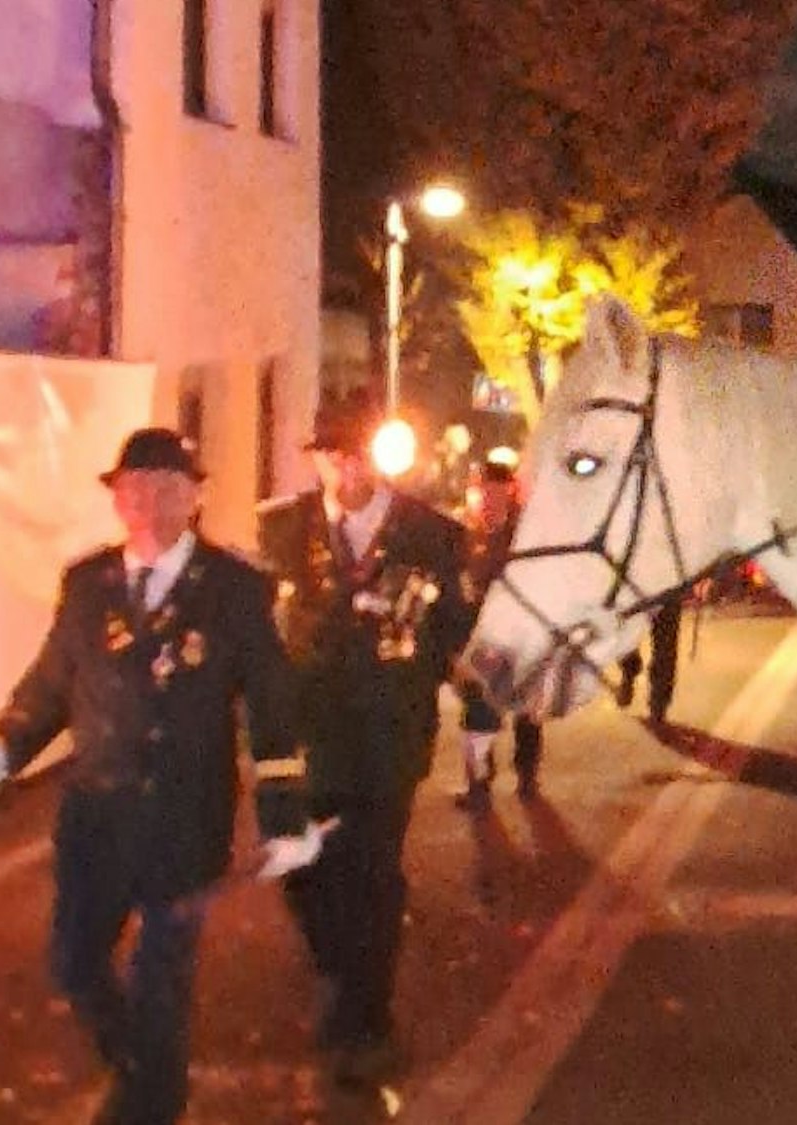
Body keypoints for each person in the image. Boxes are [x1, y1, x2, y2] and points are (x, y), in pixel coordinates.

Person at [0, 428, 323, 1125]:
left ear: (194, 497)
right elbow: (52, 682)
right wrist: (2, 744)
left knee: (162, 977)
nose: (149, 504)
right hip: (93, 816)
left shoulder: (235, 589)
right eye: (134, 489)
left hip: (183, 819)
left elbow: (272, 705)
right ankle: (147, 1071)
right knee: (73, 964)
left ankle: (147, 1103)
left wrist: (285, 814)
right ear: (117, 497)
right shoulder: (88, 582)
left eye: (166, 489)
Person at [256, 389, 474, 1084]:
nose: (344, 469)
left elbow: (451, 635)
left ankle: (367, 1018)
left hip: (390, 735)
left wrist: (477, 681)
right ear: (318, 460)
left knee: (373, 872)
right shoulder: (281, 532)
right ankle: (339, 977)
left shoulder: (430, 535)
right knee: (306, 870)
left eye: (356, 454)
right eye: (331, 454)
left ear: (376, 459)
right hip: (308, 735)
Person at [455, 453, 544, 805]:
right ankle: (479, 783)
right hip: (483, 636)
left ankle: (527, 775)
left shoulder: (527, 533)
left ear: (509, 490)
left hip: (522, 632)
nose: (488, 497)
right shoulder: (470, 532)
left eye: (495, 490)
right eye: (483, 490)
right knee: (477, 709)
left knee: (527, 710)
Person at [614, 589, 683, 724]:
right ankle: (629, 671)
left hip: (666, 586)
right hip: (632, 585)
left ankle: (658, 707)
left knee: (665, 647)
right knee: (625, 636)